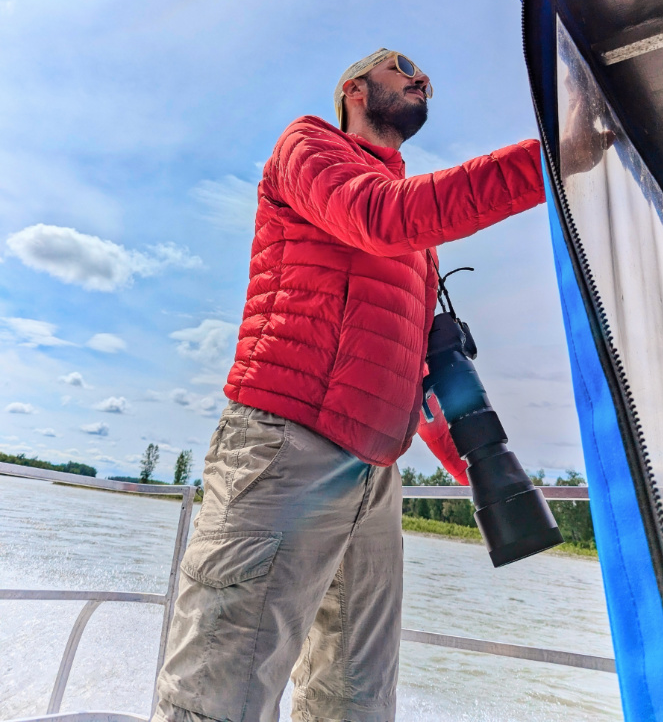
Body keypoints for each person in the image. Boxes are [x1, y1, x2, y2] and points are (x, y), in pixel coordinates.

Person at [152, 48, 545, 722]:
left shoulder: (420, 244)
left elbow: (415, 368)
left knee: (354, 700)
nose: (422, 80)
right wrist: (550, 160)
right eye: (403, 68)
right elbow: (381, 216)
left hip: (375, 471)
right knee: (218, 696)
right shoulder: (308, 147)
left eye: (426, 80)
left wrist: (475, 469)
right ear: (352, 89)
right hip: (283, 447)